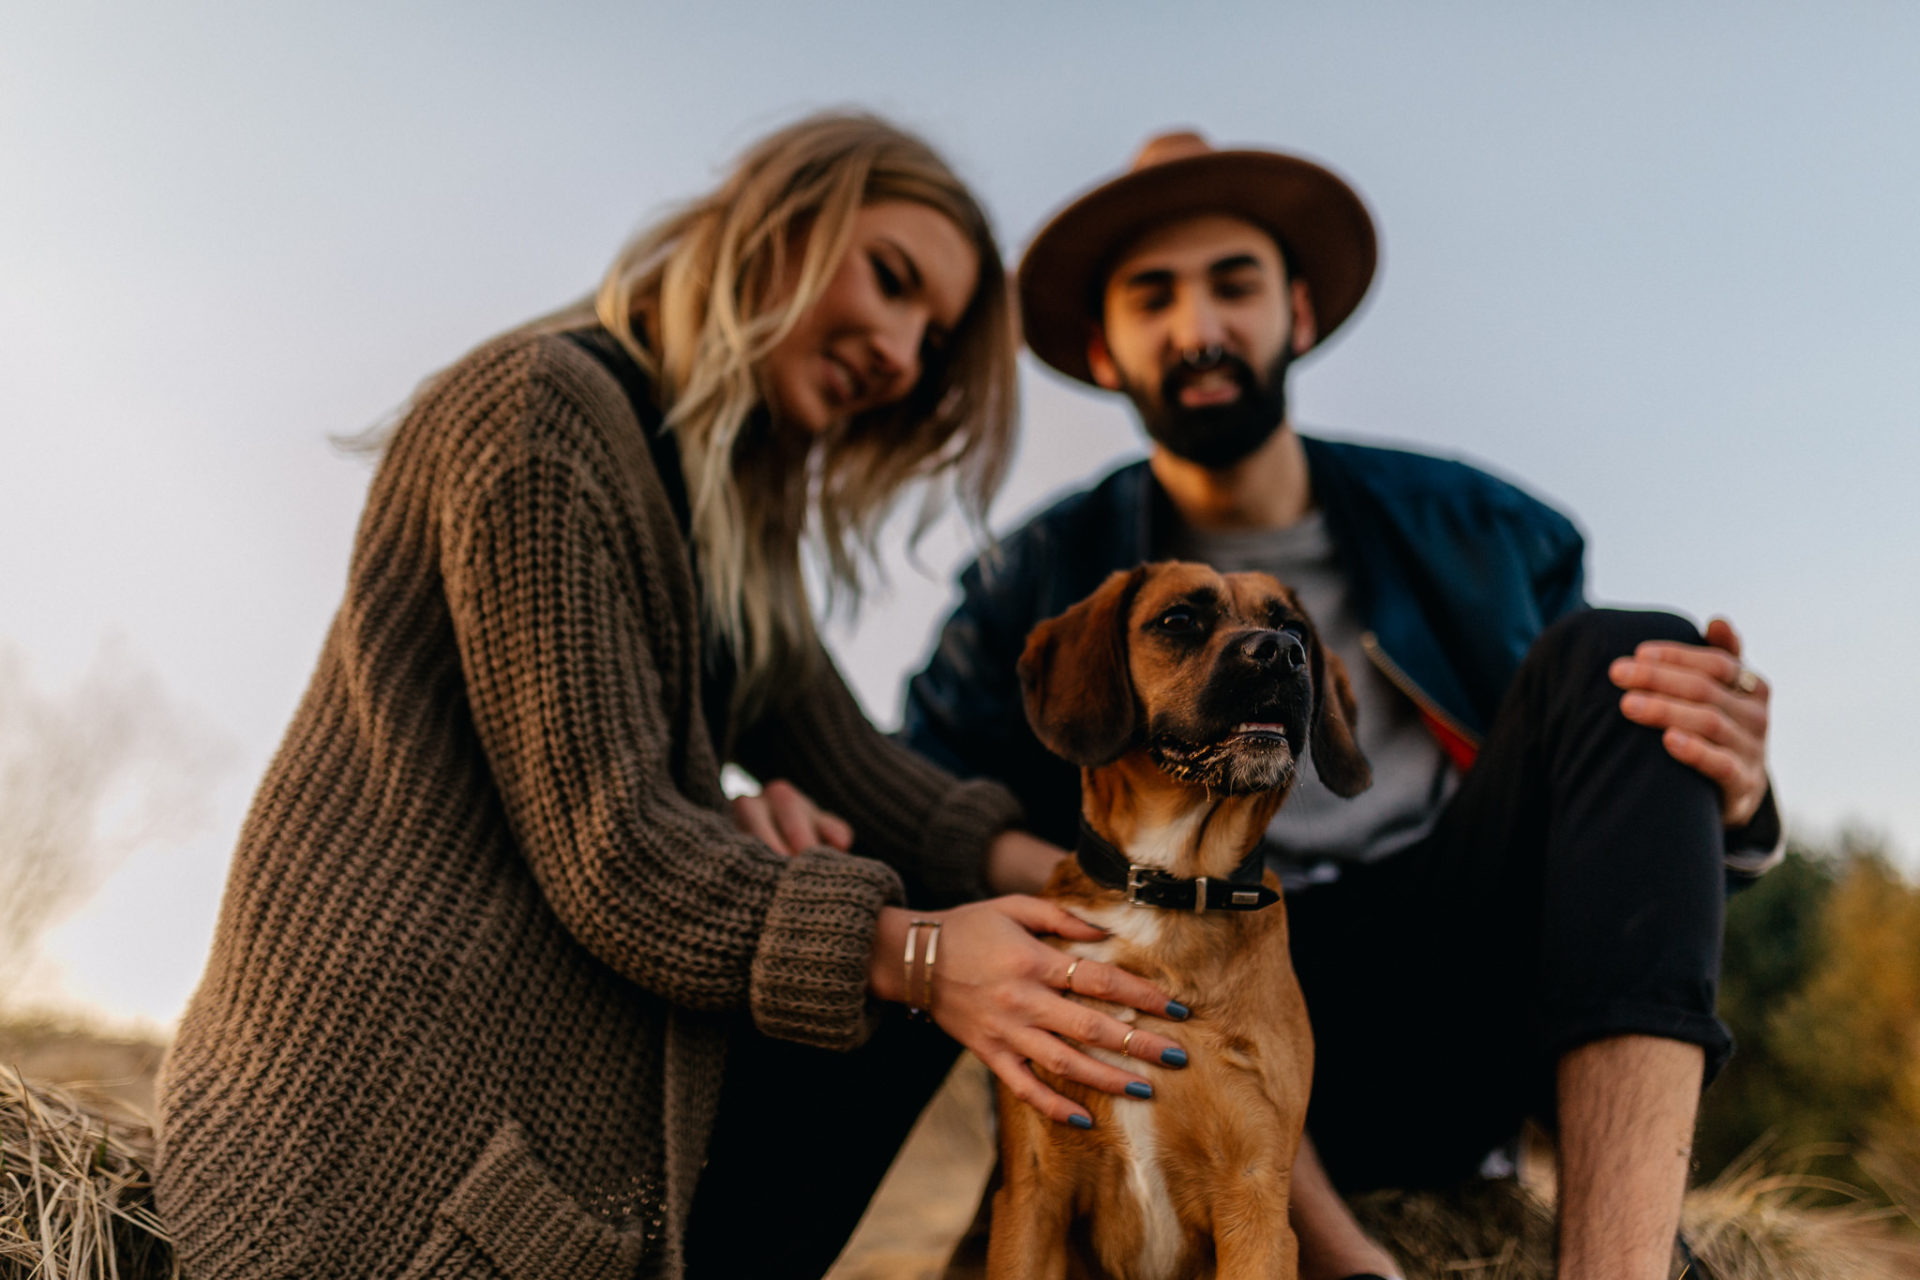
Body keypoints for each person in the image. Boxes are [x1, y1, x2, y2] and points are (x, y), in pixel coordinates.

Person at [153, 113, 1193, 1280]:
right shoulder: (539, 415)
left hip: (541, 1156)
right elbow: (618, 853)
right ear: (777, 217)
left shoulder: (719, 525)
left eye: (930, 336)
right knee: (918, 980)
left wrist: (1092, 890)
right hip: (375, 1164)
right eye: (890, 279)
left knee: (930, 950)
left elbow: (861, 769)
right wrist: (922, 955)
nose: (902, 352)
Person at [902, 132, 1783, 1280]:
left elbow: (1617, 815)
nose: (1200, 325)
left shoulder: (1490, 532)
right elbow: (906, 794)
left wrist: (1744, 798)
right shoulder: (1031, 581)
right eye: (1153, 295)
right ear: (1105, 352)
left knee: (1634, 652)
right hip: (1146, 1003)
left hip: (1437, 985)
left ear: (1298, 313)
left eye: (1235, 282)